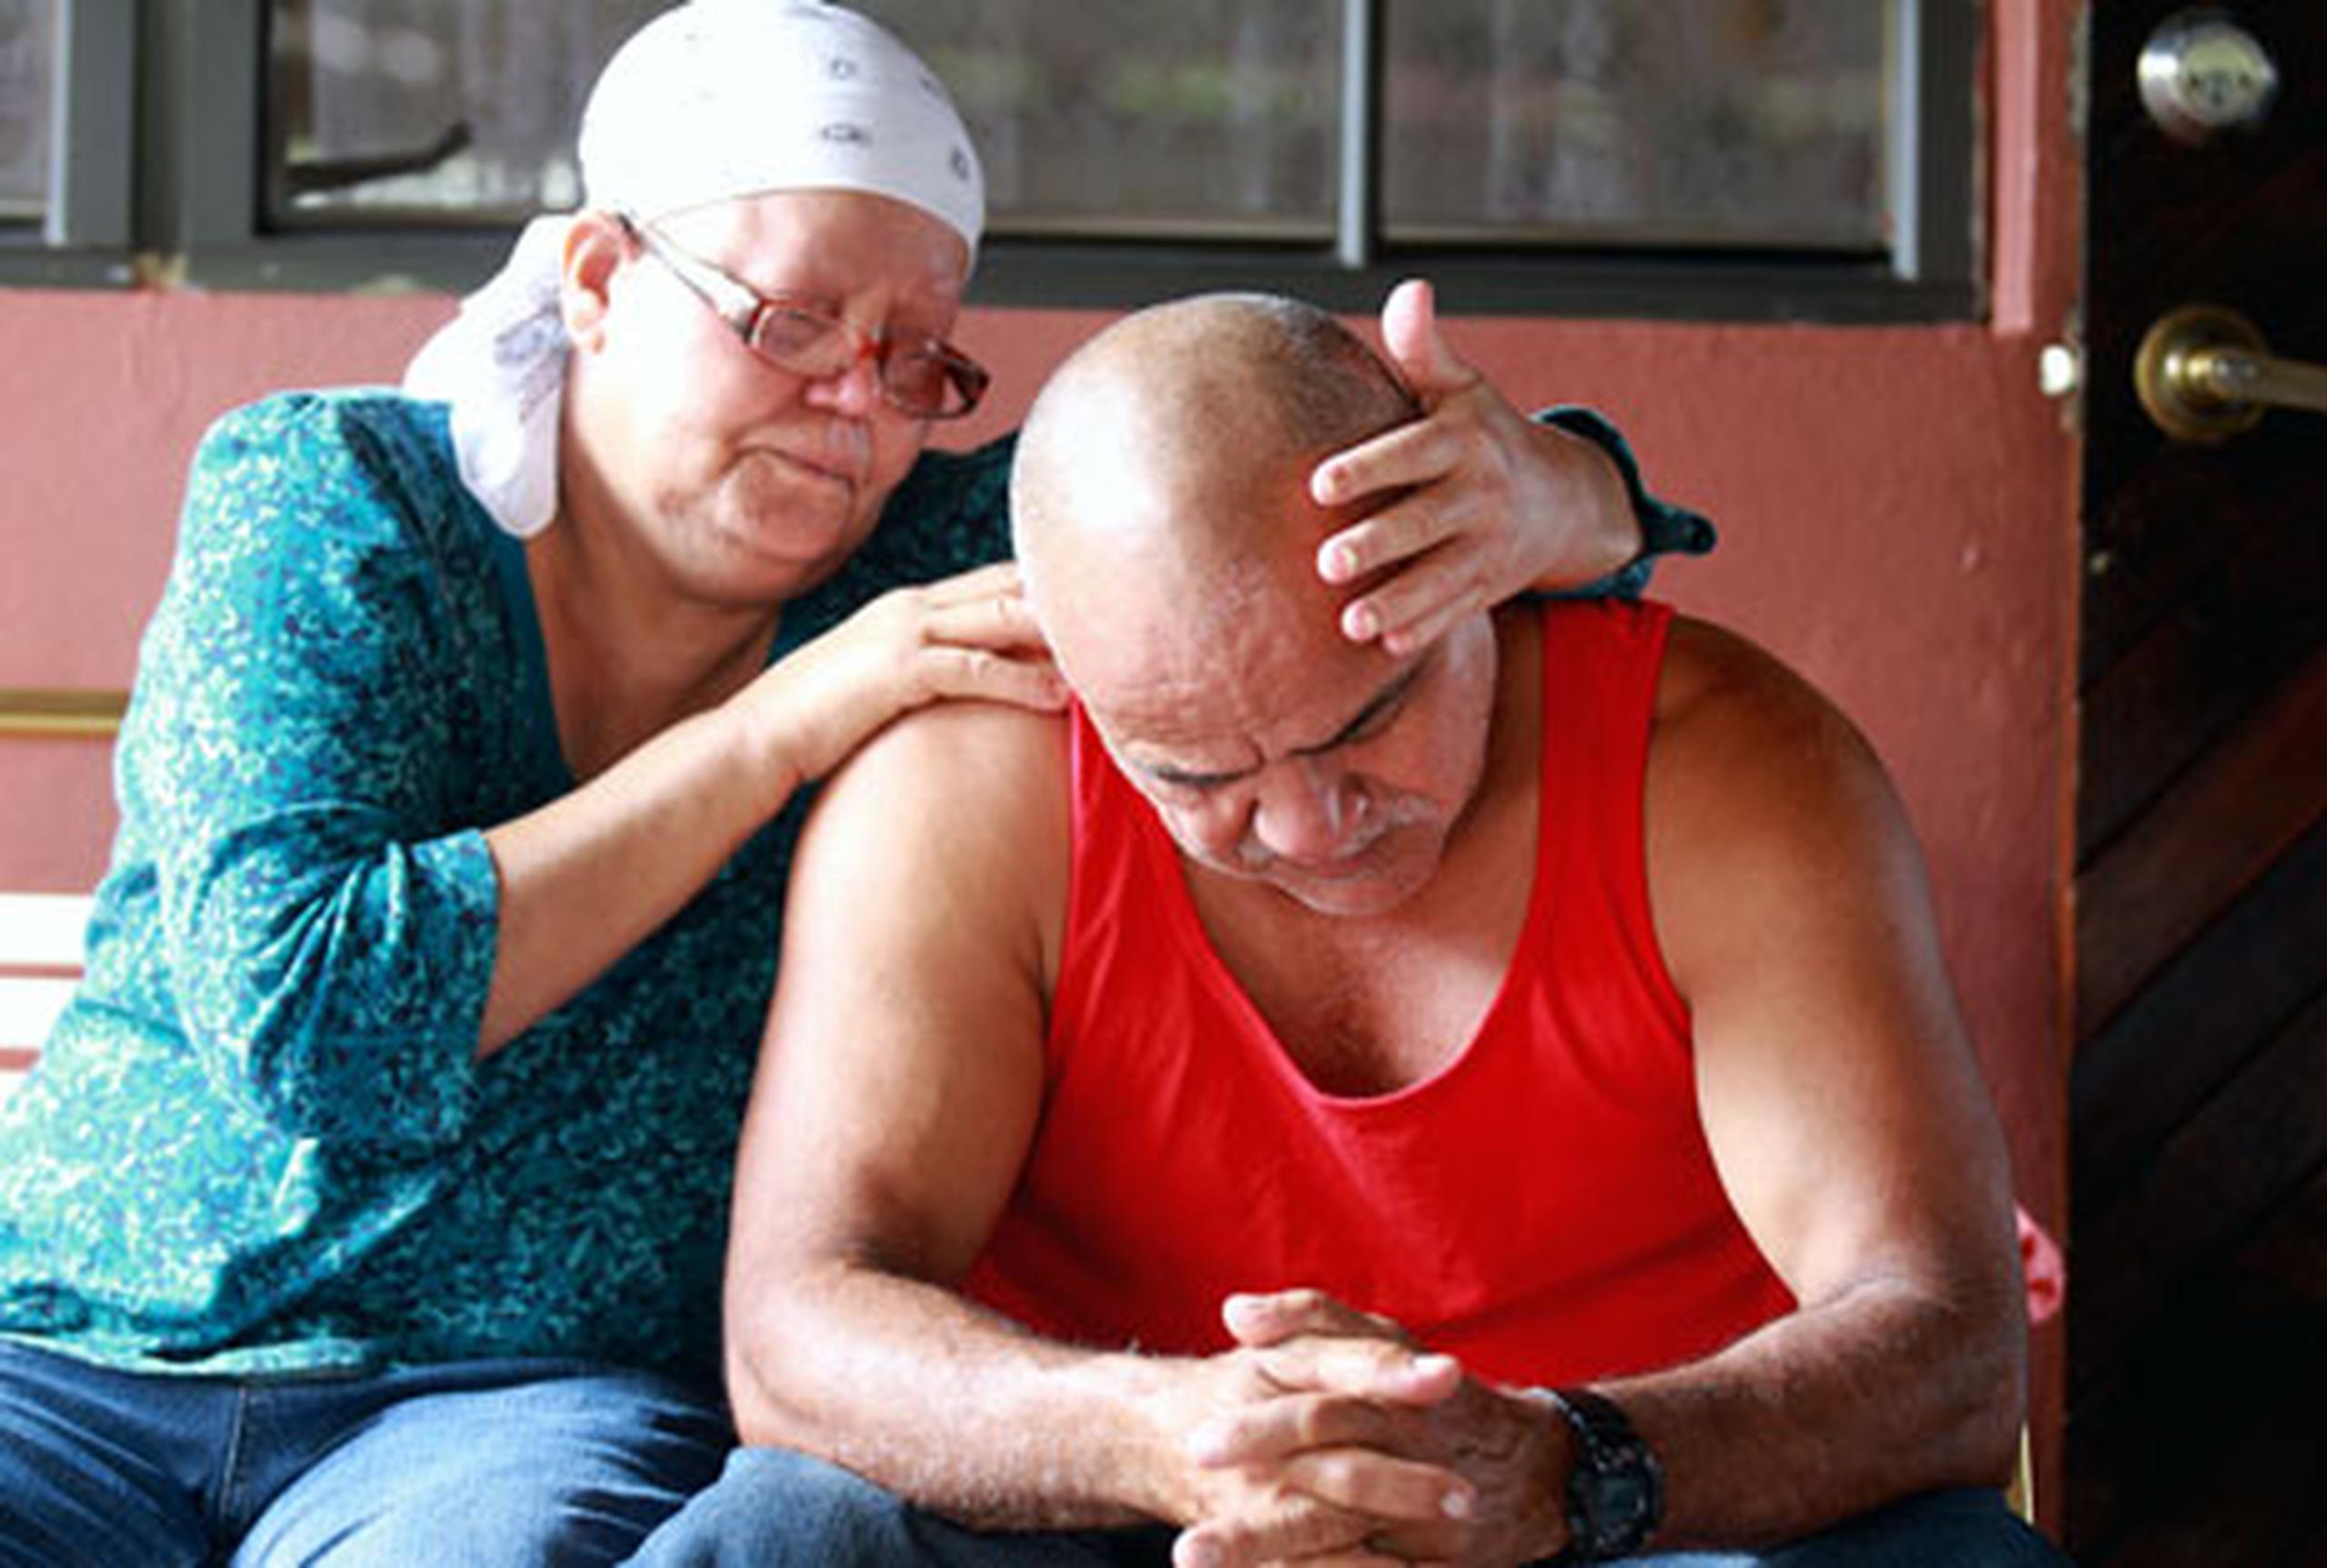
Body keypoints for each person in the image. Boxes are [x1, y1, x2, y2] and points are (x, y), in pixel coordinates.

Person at [0, 5, 1691, 1565]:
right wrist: (788, 722)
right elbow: (312, 1015)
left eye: (915, 360)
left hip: (511, 1414)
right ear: (597, 274)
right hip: (77, 1358)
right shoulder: (343, 501)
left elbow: (1279, 477)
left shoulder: (939, 553)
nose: (854, 412)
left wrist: (1568, 493)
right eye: (792, 321)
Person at [636, 293, 2072, 1568]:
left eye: (1368, 718)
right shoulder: (965, 782)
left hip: (1626, 1509)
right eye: (1200, 777)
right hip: (1147, 1516)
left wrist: (1566, 1467)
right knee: (780, 1532)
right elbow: (798, 1325)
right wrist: (1165, 1430)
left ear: (1476, 566)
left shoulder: (1724, 768)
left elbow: (1947, 1340)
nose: (1316, 827)